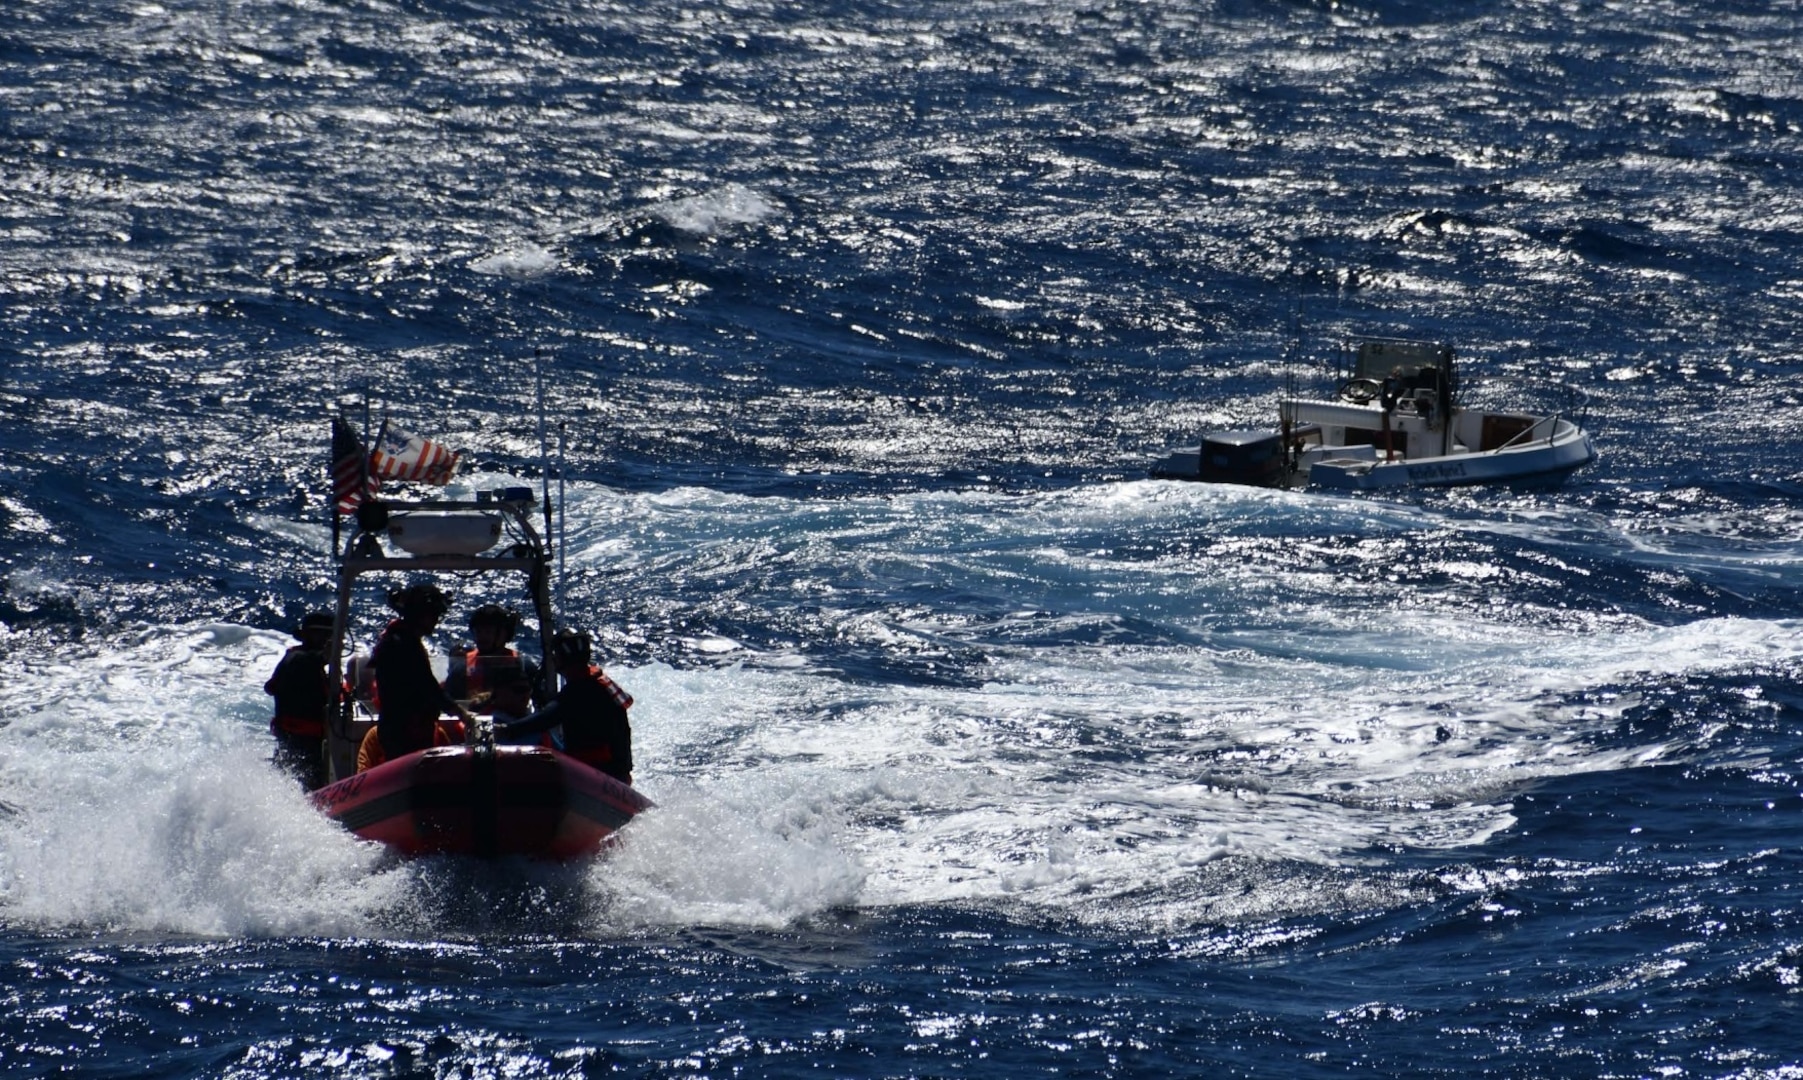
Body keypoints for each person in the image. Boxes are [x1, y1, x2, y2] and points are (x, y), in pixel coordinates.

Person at [495, 629, 634, 784]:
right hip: (617, 773)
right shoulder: (598, 684)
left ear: (561, 659)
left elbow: (546, 718)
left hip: (600, 772)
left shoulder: (580, 690)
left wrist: (508, 730)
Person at [371, 582, 476, 762]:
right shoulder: (401, 644)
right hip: (404, 730)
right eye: (432, 615)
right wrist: (461, 713)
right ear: (418, 614)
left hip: (406, 727)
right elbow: (427, 685)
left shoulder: (399, 639)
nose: (435, 620)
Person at [264, 611, 335, 789]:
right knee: (300, 781)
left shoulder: (317, 666)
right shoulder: (296, 659)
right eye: (318, 633)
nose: (324, 639)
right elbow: (308, 662)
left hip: (314, 740)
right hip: (298, 739)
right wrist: (324, 656)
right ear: (305, 635)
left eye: (328, 634)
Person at [443, 604, 541, 711]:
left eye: (488, 632)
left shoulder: (523, 667)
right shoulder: (462, 667)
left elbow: (539, 704)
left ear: (505, 634)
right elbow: (449, 705)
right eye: (478, 631)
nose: (482, 637)